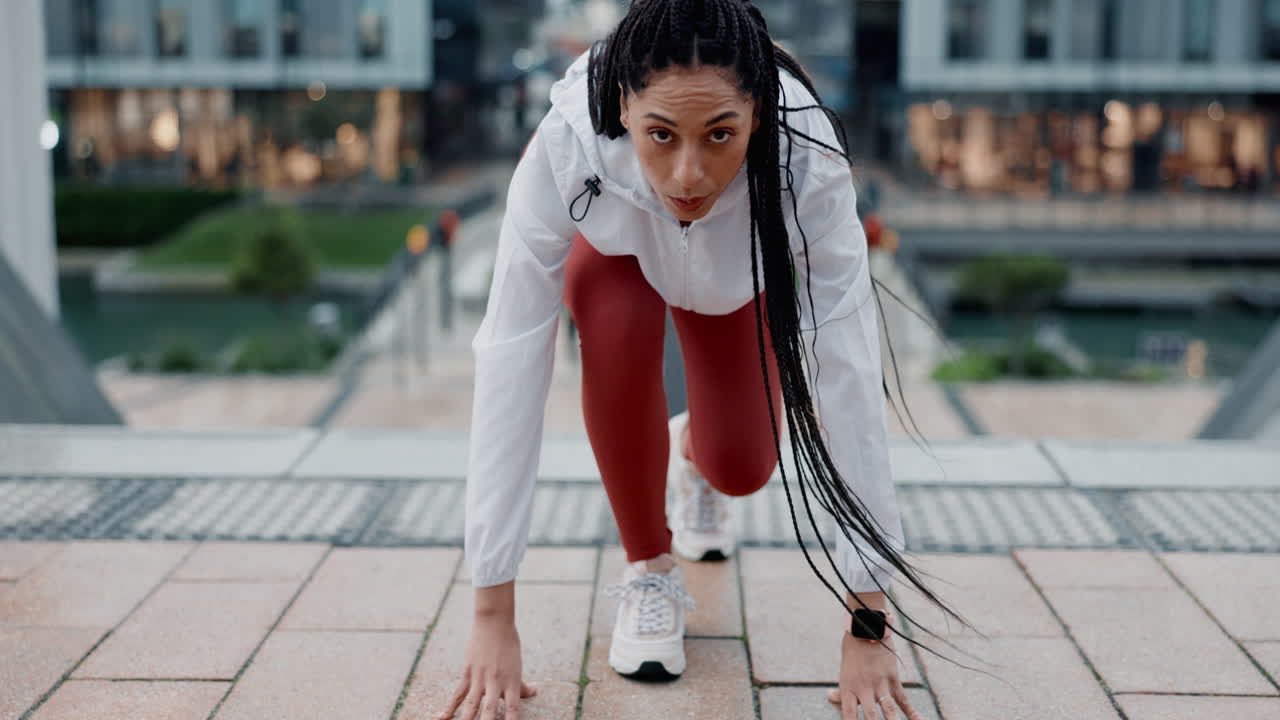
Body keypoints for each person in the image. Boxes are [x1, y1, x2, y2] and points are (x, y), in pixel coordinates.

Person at [439, 2, 977, 719]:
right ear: (624, 107)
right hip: (621, 265)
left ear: (756, 112)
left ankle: (695, 457)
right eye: (659, 135)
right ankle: (650, 570)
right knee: (614, 313)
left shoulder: (806, 156)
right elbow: (510, 352)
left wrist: (868, 618)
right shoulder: (570, 140)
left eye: (719, 135)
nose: (688, 173)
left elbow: (845, 366)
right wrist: (491, 612)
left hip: (735, 281)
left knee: (742, 465)